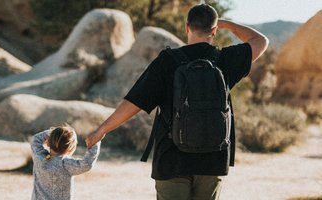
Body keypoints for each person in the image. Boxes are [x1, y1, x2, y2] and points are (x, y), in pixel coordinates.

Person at [86, 3, 268, 200]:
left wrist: (102, 129)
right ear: (214, 30)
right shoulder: (225, 60)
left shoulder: (168, 61)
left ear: (187, 27)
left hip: (172, 159)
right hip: (213, 160)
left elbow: (135, 101)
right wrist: (227, 24)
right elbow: (261, 41)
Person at [31, 125, 100, 200]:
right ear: (71, 148)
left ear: (48, 143)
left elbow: (35, 139)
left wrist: (52, 132)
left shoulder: (39, 158)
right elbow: (87, 164)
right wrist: (95, 143)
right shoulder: (65, 164)